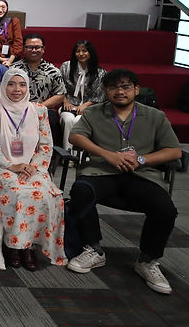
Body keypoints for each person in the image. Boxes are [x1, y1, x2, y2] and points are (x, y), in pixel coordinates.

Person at [67, 69, 182, 294]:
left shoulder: (155, 116)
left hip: (141, 175)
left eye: (126, 87)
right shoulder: (94, 113)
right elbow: (75, 136)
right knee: (81, 191)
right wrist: (107, 154)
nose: (120, 92)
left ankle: (147, 260)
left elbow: (175, 151)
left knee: (165, 209)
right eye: (113, 87)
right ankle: (94, 249)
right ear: (106, 91)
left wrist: (142, 159)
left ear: (136, 90)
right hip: (102, 172)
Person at [0, 68, 67, 270]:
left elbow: (46, 146)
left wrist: (33, 166)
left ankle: (29, 246)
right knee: (19, 194)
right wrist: (12, 165)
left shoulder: (39, 111)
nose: (16, 89)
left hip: (33, 168)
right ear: (3, 86)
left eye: (22, 84)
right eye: (11, 84)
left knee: (49, 195)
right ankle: (14, 246)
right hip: (0, 167)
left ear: (28, 87)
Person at [12, 34, 66, 149]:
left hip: (43, 112)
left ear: (43, 49)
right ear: (23, 48)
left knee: (50, 116)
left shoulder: (52, 71)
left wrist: (38, 107)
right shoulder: (13, 70)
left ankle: (43, 156)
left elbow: (60, 95)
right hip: (17, 110)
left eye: (37, 47)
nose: (34, 50)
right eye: (30, 47)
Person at [59, 40, 106, 150]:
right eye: (78, 51)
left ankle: (79, 155)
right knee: (68, 119)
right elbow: (59, 86)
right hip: (69, 105)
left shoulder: (100, 73)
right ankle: (68, 154)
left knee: (78, 120)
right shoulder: (66, 66)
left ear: (90, 53)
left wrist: (85, 106)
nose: (81, 54)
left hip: (89, 107)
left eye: (84, 51)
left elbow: (99, 96)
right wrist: (65, 100)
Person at [0, 0, 23, 67]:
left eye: (3, 7)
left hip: (13, 58)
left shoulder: (13, 22)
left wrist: (10, 61)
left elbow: (18, 42)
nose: (0, 10)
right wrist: (0, 59)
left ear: (7, 8)